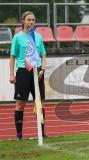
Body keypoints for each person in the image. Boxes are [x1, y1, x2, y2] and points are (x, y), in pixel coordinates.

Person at [9, 11, 47, 141]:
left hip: (38, 72)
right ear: (23, 21)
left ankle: (42, 132)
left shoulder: (38, 37)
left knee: (39, 103)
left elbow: (43, 54)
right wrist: (11, 74)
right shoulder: (17, 37)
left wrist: (43, 68)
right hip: (23, 71)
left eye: (33, 20)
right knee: (20, 104)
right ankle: (19, 135)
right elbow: (12, 56)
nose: (31, 22)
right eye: (29, 19)